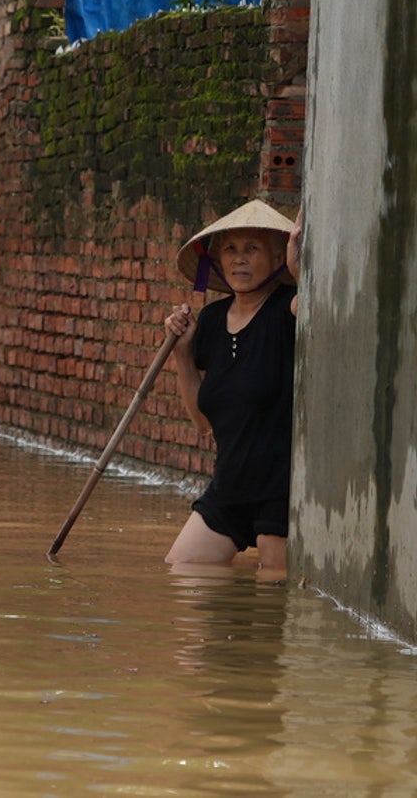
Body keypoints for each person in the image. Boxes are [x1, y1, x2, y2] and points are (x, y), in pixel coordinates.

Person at [163, 199, 302, 571]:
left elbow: (322, 306)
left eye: (252, 249)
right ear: (218, 262)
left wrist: (300, 270)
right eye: (230, 249)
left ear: (275, 260)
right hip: (228, 488)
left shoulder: (288, 309)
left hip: (280, 491)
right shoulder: (209, 321)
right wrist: (182, 353)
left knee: (273, 601)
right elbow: (202, 422)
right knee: (182, 573)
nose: (240, 259)